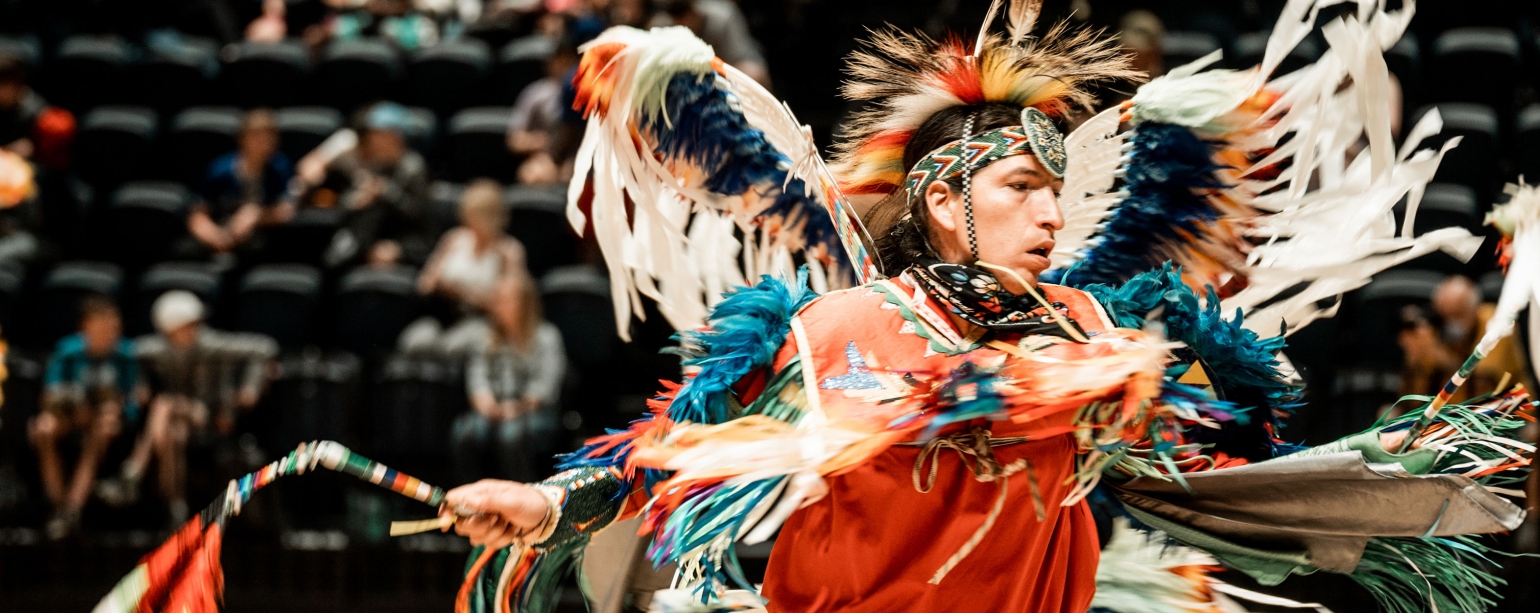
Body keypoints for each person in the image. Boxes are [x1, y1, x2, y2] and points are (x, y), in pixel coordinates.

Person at [435, 8, 1528, 613]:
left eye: (1058, 191)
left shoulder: (1094, 331)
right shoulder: (835, 326)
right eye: (1021, 188)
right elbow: (672, 453)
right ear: (945, 203)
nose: (1051, 212)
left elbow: (1213, 433)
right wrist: (545, 501)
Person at [106, 291, 277, 525]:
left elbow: (264, 347)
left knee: (162, 404)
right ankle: (176, 506)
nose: (193, 331)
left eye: (194, 324)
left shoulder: (212, 345)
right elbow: (125, 354)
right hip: (178, 421)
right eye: (185, 326)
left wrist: (250, 388)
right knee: (170, 434)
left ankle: (134, 471)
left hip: (208, 416)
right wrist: (141, 384)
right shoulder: (157, 349)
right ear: (168, 330)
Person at [28, 295, 137, 539]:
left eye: (113, 327)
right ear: (85, 327)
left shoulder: (126, 355)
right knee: (43, 428)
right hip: (69, 416)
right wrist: (73, 408)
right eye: (103, 326)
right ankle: (59, 503)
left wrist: (115, 410)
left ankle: (71, 508)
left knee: (100, 429)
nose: (110, 332)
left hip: (103, 423)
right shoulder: (67, 352)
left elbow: (132, 402)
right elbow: (49, 396)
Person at [450, 273, 566, 484]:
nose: (498, 305)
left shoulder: (547, 336)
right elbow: (478, 375)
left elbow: (546, 387)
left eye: (505, 300)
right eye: (497, 299)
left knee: (510, 435)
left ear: (524, 303)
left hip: (534, 410)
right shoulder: (485, 337)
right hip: (493, 409)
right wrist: (484, 402)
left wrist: (517, 407)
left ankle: (524, 496)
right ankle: (472, 499)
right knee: (466, 431)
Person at [400, 179, 528, 354]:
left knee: (455, 348)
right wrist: (439, 285)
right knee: (415, 341)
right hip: (443, 316)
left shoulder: (509, 251)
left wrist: (465, 295)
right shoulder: (453, 240)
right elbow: (424, 285)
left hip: (482, 321)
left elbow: (512, 305)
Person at [300, 102, 431, 268]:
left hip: (402, 238)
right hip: (368, 234)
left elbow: (417, 213)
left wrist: (386, 192)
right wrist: (358, 200)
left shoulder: (413, 167)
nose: (371, 140)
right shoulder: (376, 164)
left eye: (377, 135)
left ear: (394, 136)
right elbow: (350, 200)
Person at [1400, 275, 1537, 403]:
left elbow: (1483, 382)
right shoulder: (1433, 329)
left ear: (1475, 309)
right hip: (1447, 416)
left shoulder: (1496, 323)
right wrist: (1414, 364)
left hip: (1503, 409)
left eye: (1457, 314)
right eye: (1444, 316)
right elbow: (1415, 400)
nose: (1450, 322)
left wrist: (1442, 359)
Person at [190, 108, 297, 258]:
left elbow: (286, 211)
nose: (264, 143)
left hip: (259, 238)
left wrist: (256, 216)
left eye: (269, 137)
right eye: (257, 137)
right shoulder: (219, 170)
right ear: (242, 138)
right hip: (220, 231)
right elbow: (198, 215)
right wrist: (214, 237)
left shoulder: (280, 168)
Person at [650, 0, 769, 85]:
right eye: (676, 13)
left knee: (755, 72)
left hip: (727, 80)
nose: (685, 22)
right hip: (684, 88)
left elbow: (750, 66)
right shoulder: (661, 26)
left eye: (685, 12)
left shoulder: (722, 17)